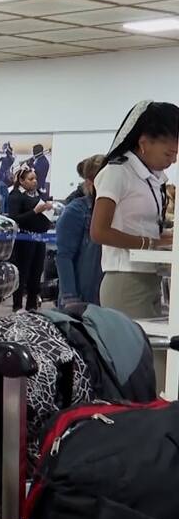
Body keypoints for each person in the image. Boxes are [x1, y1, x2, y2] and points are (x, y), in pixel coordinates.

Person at [91, 101, 178, 392]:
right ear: (143, 143)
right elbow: (99, 231)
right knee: (139, 369)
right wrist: (149, 242)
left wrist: (165, 238)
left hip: (149, 277)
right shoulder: (117, 173)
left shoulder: (152, 179)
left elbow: (145, 228)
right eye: (168, 153)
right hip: (125, 280)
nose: (173, 160)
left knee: (155, 364)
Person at [55, 154, 106, 306]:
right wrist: (70, 296)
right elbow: (64, 256)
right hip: (82, 296)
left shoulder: (114, 210)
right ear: (90, 182)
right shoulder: (76, 210)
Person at [6, 164, 52, 311]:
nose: (35, 181)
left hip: (39, 239)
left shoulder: (38, 194)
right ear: (21, 181)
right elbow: (14, 218)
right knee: (23, 273)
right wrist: (34, 211)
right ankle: (17, 306)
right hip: (24, 239)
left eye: (35, 179)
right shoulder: (15, 196)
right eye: (31, 179)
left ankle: (32, 305)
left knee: (36, 272)